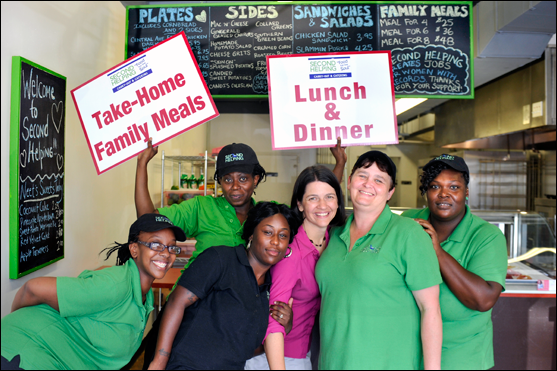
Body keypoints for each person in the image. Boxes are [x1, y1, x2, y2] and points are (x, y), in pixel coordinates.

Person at [136, 138, 346, 368]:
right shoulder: (202, 208)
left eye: (243, 179)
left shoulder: (267, 215)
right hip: (188, 310)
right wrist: (142, 165)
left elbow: (316, 207)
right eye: (227, 180)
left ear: (256, 179)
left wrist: (338, 167)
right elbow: (149, 224)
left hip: (234, 319)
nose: (235, 187)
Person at [0, 213, 185, 370]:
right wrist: (18, 329)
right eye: (155, 244)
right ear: (134, 249)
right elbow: (32, 288)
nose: (166, 253)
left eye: (171, 246)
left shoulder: (140, 295)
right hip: (20, 354)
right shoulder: (114, 285)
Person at [315, 150, 443, 370]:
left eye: (379, 180)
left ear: (390, 192)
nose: (367, 184)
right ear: (349, 181)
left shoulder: (408, 233)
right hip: (333, 362)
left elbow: (430, 309)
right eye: (362, 175)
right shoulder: (333, 234)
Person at [147, 202, 300, 370]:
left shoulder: (268, 290)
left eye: (283, 236)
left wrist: (286, 327)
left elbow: (242, 348)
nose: (275, 241)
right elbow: (176, 301)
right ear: (251, 234)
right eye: (268, 232)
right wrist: (159, 362)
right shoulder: (220, 259)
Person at [402, 154, 507, 370]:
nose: (443, 194)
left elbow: (484, 300)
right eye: (434, 186)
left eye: (454, 187)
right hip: (404, 353)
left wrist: (437, 251)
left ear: (466, 192)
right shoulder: (408, 222)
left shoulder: (486, 236)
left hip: (460, 358)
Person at [245, 166, 346, 370]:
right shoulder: (291, 253)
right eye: (312, 198)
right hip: (279, 358)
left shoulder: (333, 240)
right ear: (299, 204)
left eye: (329, 197)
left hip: (307, 350)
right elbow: (274, 319)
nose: (323, 205)